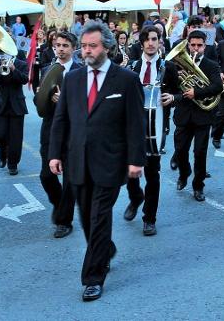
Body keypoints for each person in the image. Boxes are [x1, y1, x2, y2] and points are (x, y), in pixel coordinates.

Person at [48, 21, 145, 302]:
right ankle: (105, 249)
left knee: (100, 216)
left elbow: (135, 124)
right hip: (77, 161)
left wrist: (135, 160)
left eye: (93, 46)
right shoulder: (74, 78)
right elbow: (62, 119)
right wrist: (55, 154)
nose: (86, 51)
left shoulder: (126, 80)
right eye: (84, 46)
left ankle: (93, 277)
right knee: (86, 217)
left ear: (107, 47)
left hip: (110, 162)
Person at [123, 26, 180, 236]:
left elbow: (179, 92)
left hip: (156, 127)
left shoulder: (169, 68)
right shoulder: (133, 66)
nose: (150, 43)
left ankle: (149, 218)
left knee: (152, 173)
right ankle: (136, 197)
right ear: (141, 44)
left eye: (154, 39)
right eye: (146, 39)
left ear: (160, 42)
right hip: (133, 126)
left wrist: (173, 98)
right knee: (130, 171)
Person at [36, 31, 82, 239]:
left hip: (74, 132)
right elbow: (40, 105)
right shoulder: (47, 69)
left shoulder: (83, 71)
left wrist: (65, 100)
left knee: (70, 179)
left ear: (73, 48)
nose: (61, 49)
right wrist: (42, 96)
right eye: (58, 45)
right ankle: (60, 204)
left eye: (65, 45)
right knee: (46, 175)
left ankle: (64, 221)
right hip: (51, 129)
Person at [173, 30, 222, 201]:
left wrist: (197, 92)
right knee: (180, 150)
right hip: (183, 114)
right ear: (188, 45)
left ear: (204, 46)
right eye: (192, 45)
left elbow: (217, 87)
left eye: (199, 45)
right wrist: (175, 78)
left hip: (202, 115)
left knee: (199, 153)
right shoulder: (178, 65)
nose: (195, 49)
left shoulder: (211, 65)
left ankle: (198, 186)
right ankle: (184, 172)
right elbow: (170, 88)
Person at [0, 54, 28, 176]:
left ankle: (13, 164)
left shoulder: (21, 64)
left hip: (17, 105)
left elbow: (25, 79)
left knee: (16, 138)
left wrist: (13, 69)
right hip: (1, 104)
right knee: (0, 135)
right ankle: (3, 151)